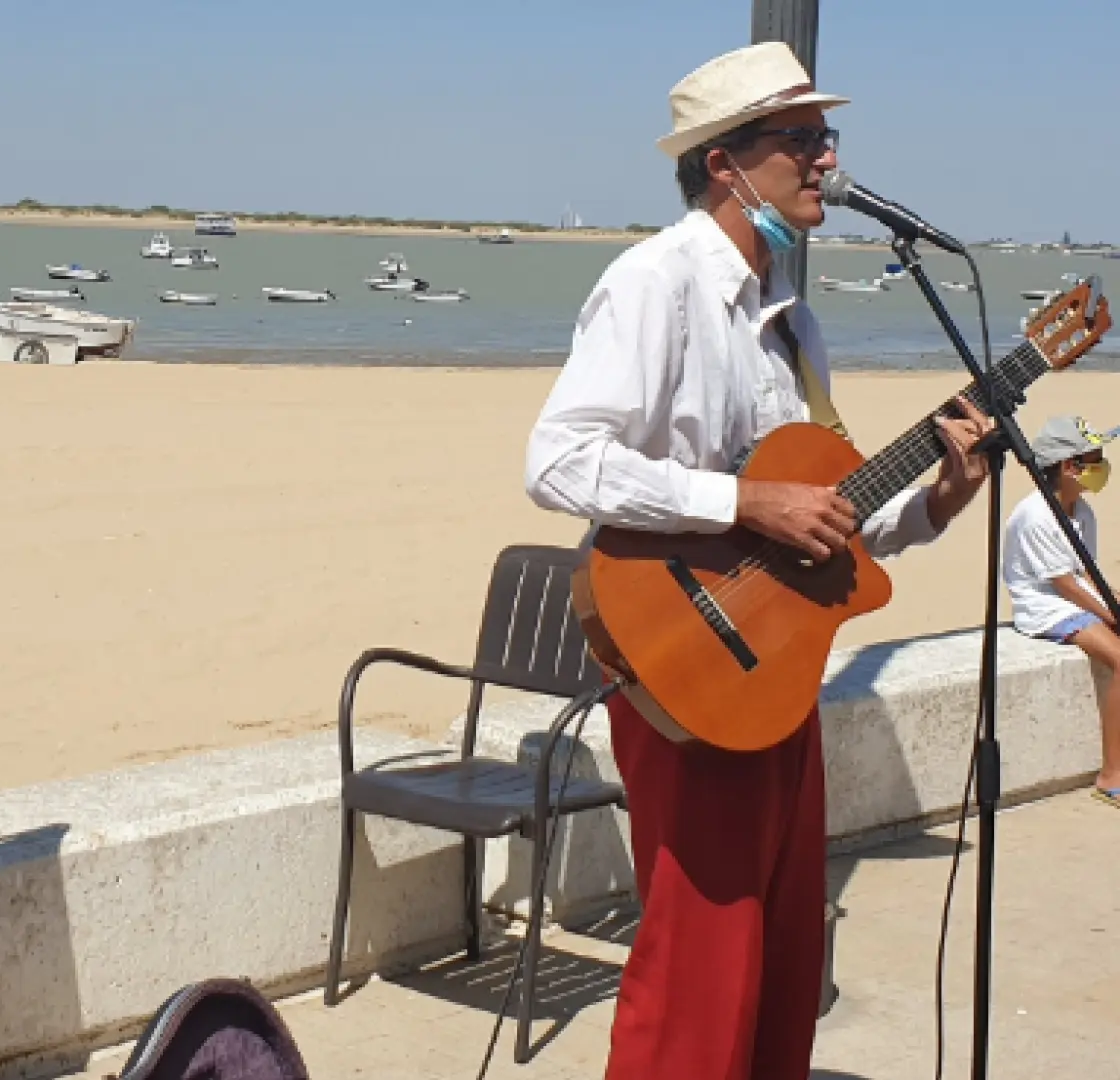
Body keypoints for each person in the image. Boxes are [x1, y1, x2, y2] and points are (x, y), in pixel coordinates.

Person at [522, 43, 996, 1080]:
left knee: (781, 959)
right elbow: (557, 459)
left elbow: (830, 519)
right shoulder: (657, 283)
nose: (827, 160)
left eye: (828, 139)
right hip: (683, 659)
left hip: (774, 673)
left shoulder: (794, 323)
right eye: (803, 140)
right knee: (700, 966)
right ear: (726, 164)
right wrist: (740, 500)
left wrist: (941, 500)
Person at [1003, 415, 1120, 807]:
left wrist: (1112, 602)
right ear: (1069, 467)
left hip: (1073, 595)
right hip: (1045, 607)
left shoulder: (1081, 510)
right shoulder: (1036, 515)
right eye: (1094, 458)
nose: (1102, 466)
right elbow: (1063, 585)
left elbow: (1086, 571)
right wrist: (1110, 614)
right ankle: (1111, 775)